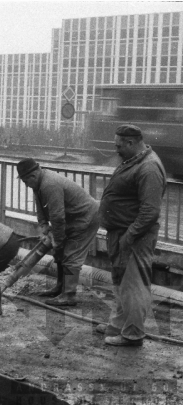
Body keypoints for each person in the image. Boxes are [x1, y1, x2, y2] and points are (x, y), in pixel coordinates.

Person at [98, 124, 166, 347]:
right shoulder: (133, 161)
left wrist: (129, 235)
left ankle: (133, 334)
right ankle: (118, 325)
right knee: (121, 284)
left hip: (135, 237)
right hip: (121, 233)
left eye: (119, 146)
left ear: (130, 143)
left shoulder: (148, 168)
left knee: (134, 286)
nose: (116, 150)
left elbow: (150, 211)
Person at [17, 158, 99, 306]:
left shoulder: (50, 184)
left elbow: (57, 216)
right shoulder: (39, 184)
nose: (26, 185)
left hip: (86, 217)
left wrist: (58, 242)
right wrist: (43, 226)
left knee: (70, 254)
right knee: (60, 253)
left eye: (25, 181)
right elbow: (41, 206)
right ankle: (61, 287)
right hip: (72, 218)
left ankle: (69, 295)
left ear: (32, 176)